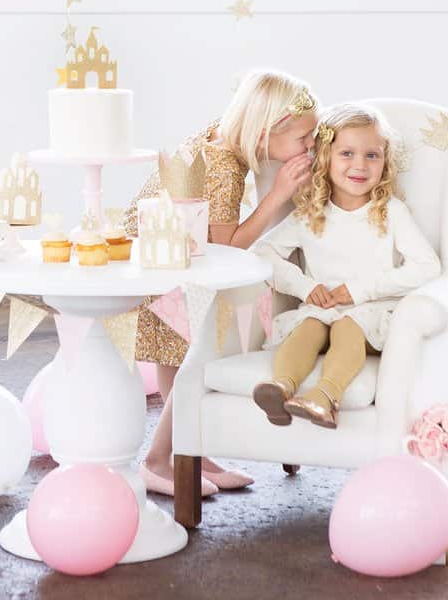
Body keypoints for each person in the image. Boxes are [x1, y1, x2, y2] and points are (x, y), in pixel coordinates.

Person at [124, 69, 318, 496]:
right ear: (266, 132)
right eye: (304, 138)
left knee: (174, 363)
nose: (311, 146)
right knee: (195, 361)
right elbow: (226, 246)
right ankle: (157, 462)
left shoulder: (218, 135)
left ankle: (190, 454)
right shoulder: (224, 168)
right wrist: (278, 194)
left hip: (159, 260)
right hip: (165, 266)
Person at [252, 103, 440, 430]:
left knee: (346, 326)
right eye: (347, 154)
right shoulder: (310, 214)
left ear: (385, 161)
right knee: (308, 327)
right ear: (325, 157)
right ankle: (281, 388)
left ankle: (325, 397)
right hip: (322, 309)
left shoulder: (390, 212)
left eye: (372, 155)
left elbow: (427, 267)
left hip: (371, 311)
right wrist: (306, 287)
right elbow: (261, 252)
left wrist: (357, 291)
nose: (360, 165)